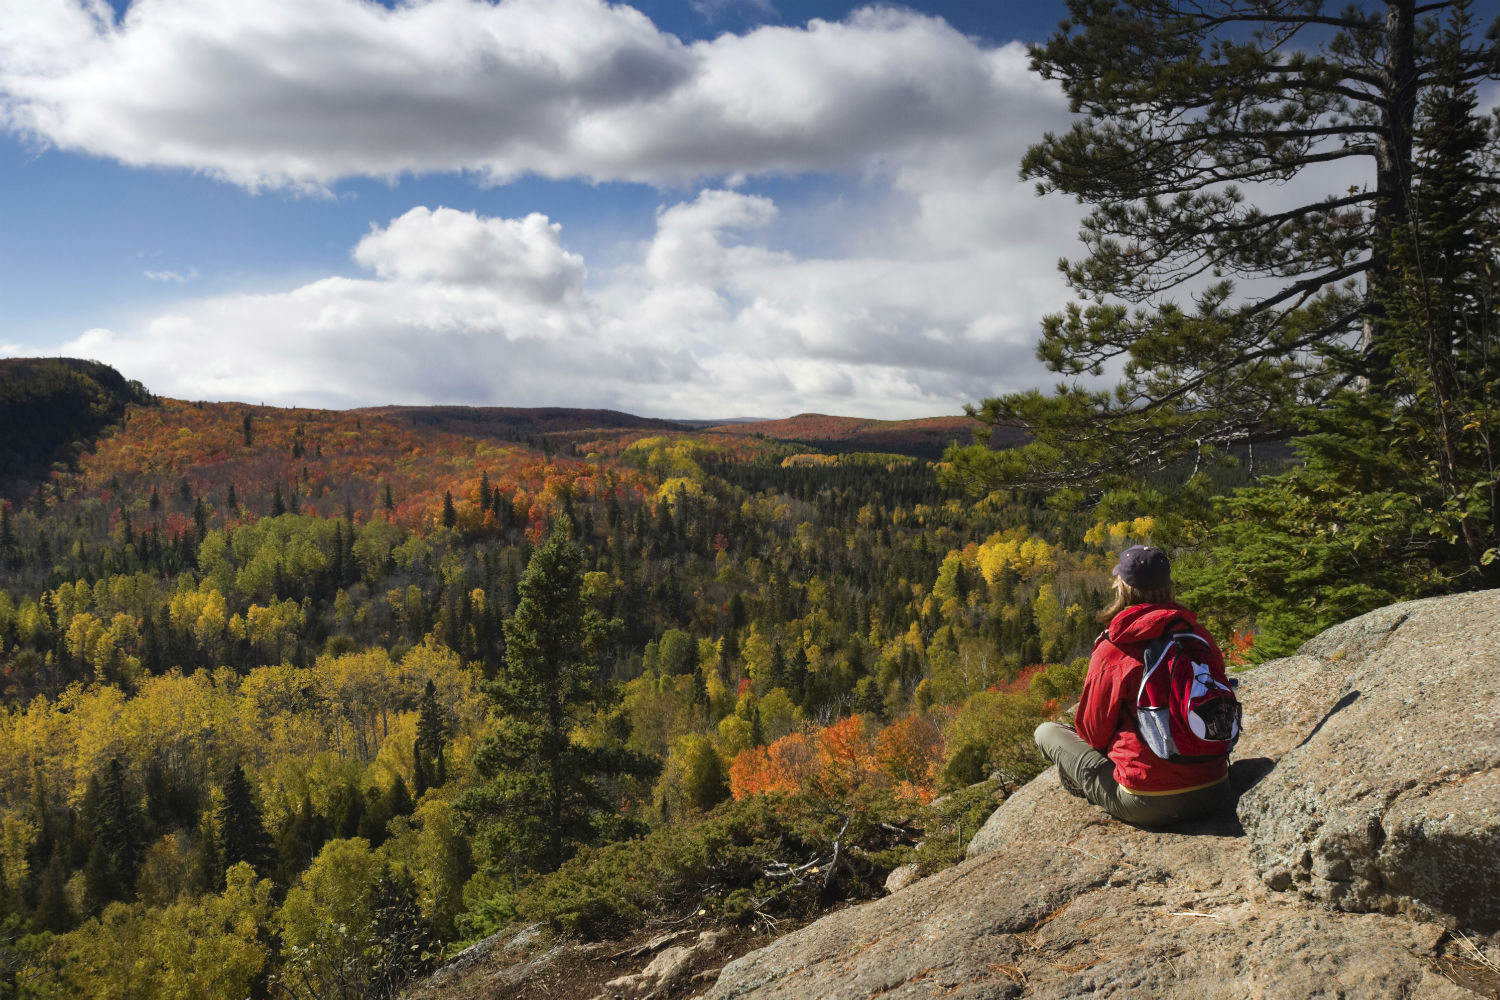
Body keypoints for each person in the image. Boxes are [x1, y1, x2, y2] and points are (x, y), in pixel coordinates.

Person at [1034, 545, 1233, 825]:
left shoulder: (1115, 646)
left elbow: (1093, 732)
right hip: (1216, 787)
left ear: (1123, 587)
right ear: (1168, 584)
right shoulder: (1197, 634)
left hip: (1148, 802)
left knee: (1046, 732)